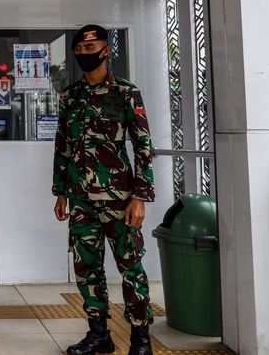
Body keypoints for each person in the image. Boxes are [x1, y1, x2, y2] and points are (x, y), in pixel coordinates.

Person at [52, 25, 155, 355]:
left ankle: (141, 339)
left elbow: (143, 146)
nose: (85, 54)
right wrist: (61, 192)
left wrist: (140, 197)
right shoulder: (70, 96)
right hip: (81, 200)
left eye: (91, 47)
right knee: (86, 269)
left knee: (131, 269)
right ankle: (99, 335)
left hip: (119, 199)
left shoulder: (126, 92)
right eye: (79, 50)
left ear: (106, 50)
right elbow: (63, 147)